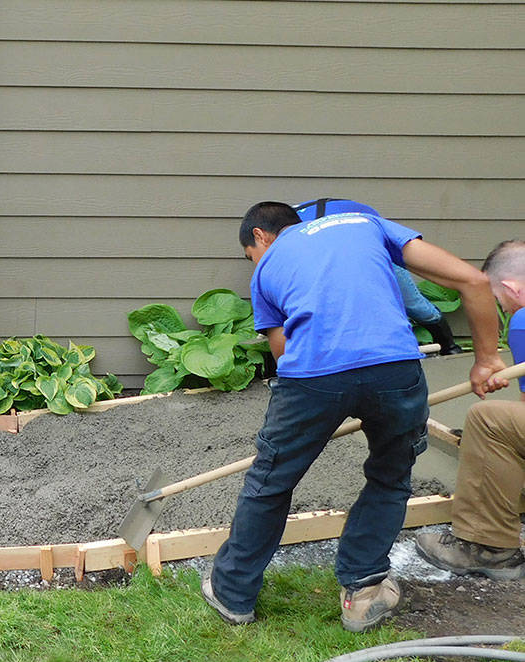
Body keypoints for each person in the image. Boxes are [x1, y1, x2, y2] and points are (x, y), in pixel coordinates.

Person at [202, 202, 508, 632]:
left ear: (260, 237)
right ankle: (363, 594)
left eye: (248, 254)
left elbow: (285, 354)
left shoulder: (267, 266)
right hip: (394, 369)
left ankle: (232, 594)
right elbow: (473, 281)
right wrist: (486, 360)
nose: (254, 261)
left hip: (313, 379)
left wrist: (327, 405)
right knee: (389, 476)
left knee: (270, 482)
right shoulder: (365, 224)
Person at [415, 239, 525, 580]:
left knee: (488, 420)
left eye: (495, 300)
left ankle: (487, 547)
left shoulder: (523, 320)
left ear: (512, 288)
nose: (501, 311)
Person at [294, 198, 462, 354]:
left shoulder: (292, 233)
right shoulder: (283, 226)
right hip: (337, 248)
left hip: (376, 247)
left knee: (412, 303)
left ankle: (449, 347)